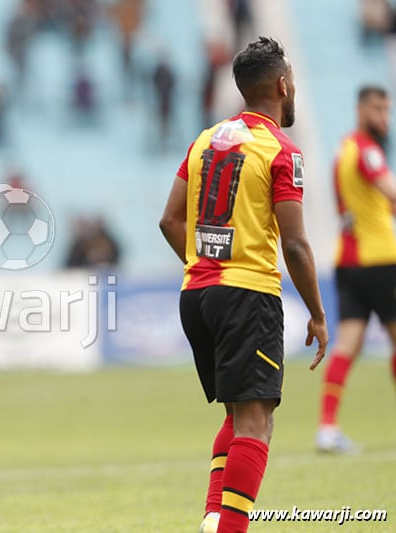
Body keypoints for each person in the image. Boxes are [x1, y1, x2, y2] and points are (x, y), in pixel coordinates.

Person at [159, 37, 328, 533]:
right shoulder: (281, 150)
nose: (293, 85)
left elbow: (170, 220)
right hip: (246, 296)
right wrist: (317, 313)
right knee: (257, 423)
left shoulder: (206, 139)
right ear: (281, 84)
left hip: (197, 296)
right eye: (292, 78)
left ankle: (214, 520)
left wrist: (203, 262)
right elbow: (295, 245)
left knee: (237, 416)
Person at [316, 85, 396, 453]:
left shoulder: (343, 148)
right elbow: (390, 192)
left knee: (347, 343)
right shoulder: (367, 149)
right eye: (379, 109)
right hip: (380, 260)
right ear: (361, 110)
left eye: (387, 110)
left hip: (347, 262)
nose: (385, 118)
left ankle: (328, 429)